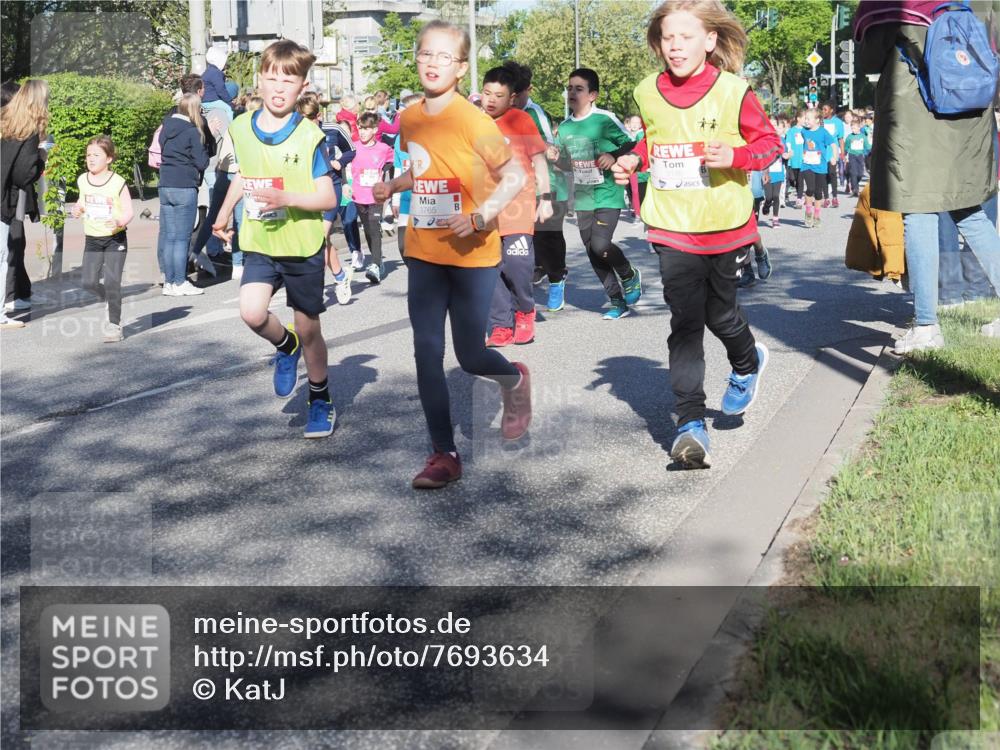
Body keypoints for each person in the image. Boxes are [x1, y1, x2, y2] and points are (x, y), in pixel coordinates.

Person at [613, 0, 781, 469]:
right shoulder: (647, 90)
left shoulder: (734, 91)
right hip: (670, 224)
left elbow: (770, 145)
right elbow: (654, 137)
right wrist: (634, 158)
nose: (675, 46)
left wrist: (735, 155)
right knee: (685, 323)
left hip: (723, 224)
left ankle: (748, 363)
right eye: (668, 37)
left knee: (721, 316)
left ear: (710, 41)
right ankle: (690, 426)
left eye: (686, 37)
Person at [372, 20, 532, 490]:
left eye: (445, 57)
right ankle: (444, 452)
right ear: (417, 59)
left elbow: (514, 178)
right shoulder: (410, 117)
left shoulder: (473, 120)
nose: (433, 63)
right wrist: (393, 185)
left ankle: (513, 378)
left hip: (472, 253)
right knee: (426, 352)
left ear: (461, 67)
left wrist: (482, 217)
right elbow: (424, 169)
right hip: (423, 250)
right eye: (426, 54)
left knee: (470, 355)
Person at [212, 39, 340, 438]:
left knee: (310, 329)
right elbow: (245, 175)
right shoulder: (240, 128)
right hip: (261, 240)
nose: (279, 87)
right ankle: (286, 348)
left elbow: (328, 197)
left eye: (289, 79)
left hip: (301, 245)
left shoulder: (309, 136)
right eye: (271, 78)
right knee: (251, 313)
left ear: (303, 86)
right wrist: (222, 213)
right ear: (259, 82)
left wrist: (287, 198)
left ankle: (320, 399)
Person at [856, 0, 1000, 352]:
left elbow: (869, 60)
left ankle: (926, 327)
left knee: (917, 211)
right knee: (970, 211)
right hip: (970, 109)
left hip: (915, 112)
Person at [549, 68, 642, 319]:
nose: (572, 93)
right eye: (569, 88)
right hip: (583, 196)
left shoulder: (604, 119)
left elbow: (632, 143)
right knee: (592, 250)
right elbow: (566, 164)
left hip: (608, 191)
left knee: (601, 244)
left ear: (593, 95)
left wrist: (613, 155)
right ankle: (616, 301)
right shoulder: (565, 128)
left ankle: (628, 273)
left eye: (578, 89)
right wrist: (556, 159)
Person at [481, 65, 552, 347]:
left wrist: (545, 198)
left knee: (517, 263)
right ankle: (500, 323)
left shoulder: (520, 120)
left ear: (511, 98)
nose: (490, 100)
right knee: (489, 267)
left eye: (498, 95)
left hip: (519, 202)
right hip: (485, 206)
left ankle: (525, 310)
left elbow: (539, 160)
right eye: (487, 93)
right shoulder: (475, 122)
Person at [508, 61, 571, 313]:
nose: (512, 100)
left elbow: (548, 145)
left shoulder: (536, 114)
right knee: (518, 240)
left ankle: (556, 277)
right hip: (514, 187)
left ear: (528, 90)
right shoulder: (498, 112)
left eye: (517, 95)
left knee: (547, 238)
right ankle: (524, 280)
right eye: (509, 94)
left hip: (546, 185)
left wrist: (549, 149)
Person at [71, 136, 133, 343]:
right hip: (93, 239)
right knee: (88, 281)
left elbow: (129, 212)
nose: (91, 159)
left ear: (109, 158)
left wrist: (119, 222)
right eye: (88, 155)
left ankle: (114, 324)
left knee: (113, 281)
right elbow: (81, 201)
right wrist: (77, 209)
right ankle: (108, 297)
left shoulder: (118, 182)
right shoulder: (82, 179)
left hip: (115, 238)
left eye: (96, 155)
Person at [0, 78, 48, 329]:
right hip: (5, 199)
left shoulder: (5, 123)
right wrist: (41, 157)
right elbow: (23, 175)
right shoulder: (27, 130)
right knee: (4, 253)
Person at [298, 92, 353, 304]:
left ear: (318, 116)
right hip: (308, 191)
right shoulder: (296, 134)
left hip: (332, 188)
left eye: (310, 119)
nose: (306, 124)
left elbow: (351, 150)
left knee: (319, 237)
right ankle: (340, 276)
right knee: (322, 239)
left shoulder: (333, 129)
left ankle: (316, 288)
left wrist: (340, 162)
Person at [158, 92, 209, 296]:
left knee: (170, 236)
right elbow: (202, 162)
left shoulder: (166, 128)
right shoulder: (191, 131)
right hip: (184, 185)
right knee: (182, 238)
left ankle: (169, 282)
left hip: (165, 184)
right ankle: (180, 281)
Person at [350, 111, 394, 283]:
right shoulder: (353, 147)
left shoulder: (383, 149)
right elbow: (344, 161)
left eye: (366, 129)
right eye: (360, 128)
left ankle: (375, 264)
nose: (362, 132)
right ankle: (379, 262)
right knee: (368, 229)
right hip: (358, 195)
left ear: (375, 129)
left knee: (374, 227)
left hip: (376, 196)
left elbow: (391, 161)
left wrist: (383, 173)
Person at [390, 93, 423, 262]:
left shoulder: (435, 136)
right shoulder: (399, 140)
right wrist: (395, 200)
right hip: (406, 200)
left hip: (430, 203)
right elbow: (398, 170)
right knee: (403, 247)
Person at [800, 108, 836, 228]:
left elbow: (833, 145)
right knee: (810, 188)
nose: (806, 120)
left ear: (817, 120)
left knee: (818, 193)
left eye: (808, 118)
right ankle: (808, 212)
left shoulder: (823, 132)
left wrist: (834, 157)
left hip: (820, 167)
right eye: (805, 118)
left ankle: (817, 216)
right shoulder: (803, 131)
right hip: (807, 165)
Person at [820, 102, 845, 208]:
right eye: (822, 109)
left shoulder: (838, 122)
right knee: (824, 175)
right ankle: (826, 198)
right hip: (822, 153)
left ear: (831, 110)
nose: (823, 111)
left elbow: (840, 138)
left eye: (825, 109)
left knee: (832, 174)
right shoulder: (820, 122)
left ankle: (834, 197)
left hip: (833, 153)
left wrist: (842, 153)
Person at [784, 110, 805, 207]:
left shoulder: (806, 130)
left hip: (803, 159)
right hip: (793, 159)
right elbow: (788, 142)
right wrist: (788, 151)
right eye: (804, 118)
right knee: (793, 179)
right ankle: (797, 192)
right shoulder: (791, 131)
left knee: (800, 179)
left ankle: (799, 198)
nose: (806, 120)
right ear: (798, 119)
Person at [843, 120, 870, 197]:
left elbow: (867, 146)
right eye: (852, 128)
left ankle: (854, 184)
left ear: (859, 127)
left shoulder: (863, 137)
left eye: (854, 128)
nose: (853, 130)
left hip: (860, 156)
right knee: (853, 173)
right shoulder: (849, 137)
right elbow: (846, 147)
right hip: (852, 155)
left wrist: (868, 153)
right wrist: (844, 155)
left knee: (860, 174)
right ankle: (855, 190)